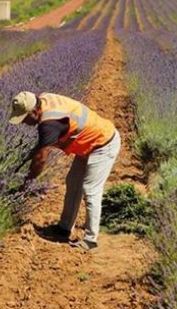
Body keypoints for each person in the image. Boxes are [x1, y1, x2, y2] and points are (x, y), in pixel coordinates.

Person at [9, 91, 120, 251]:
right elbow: (41, 147)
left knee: (91, 189)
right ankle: (64, 228)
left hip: (103, 143)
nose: (24, 122)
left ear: (34, 111)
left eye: (24, 118)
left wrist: (25, 186)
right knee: (73, 182)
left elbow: (41, 159)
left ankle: (90, 240)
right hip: (88, 143)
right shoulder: (43, 99)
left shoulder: (49, 124)